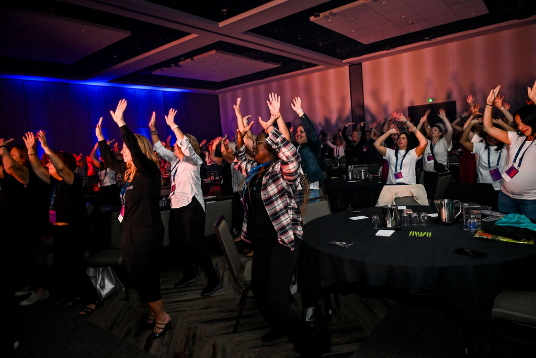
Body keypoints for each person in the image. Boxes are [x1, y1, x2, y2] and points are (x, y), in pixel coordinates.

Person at [233, 108, 315, 356]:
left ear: (268, 148)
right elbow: (240, 160)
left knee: (278, 299)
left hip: (282, 241)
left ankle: (307, 342)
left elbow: (291, 156)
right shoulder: (257, 172)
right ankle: (279, 327)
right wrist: (241, 134)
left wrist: (270, 129)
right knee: (260, 290)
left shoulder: (281, 172)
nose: (254, 148)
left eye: (258, 145)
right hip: (262, 243)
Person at [96, 100, 170, 341]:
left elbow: (135, 152)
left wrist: (121, 123)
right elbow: (109, 161)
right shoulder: (129, 172)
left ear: (136, 149)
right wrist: (100, 140)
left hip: (146, 230)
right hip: (131, 229)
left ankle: (162, 316)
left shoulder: (149, 170)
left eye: (127, 149)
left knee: (145, 273)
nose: (123, 152)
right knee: (134, 271)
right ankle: (152, 310)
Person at [148, 109, 221, 296]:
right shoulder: (175, 161)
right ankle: (189, 274)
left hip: (192, 207)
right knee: (177, 245)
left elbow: (186, 146)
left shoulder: (193, 161)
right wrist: (153, 129)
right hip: (176, 207)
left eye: (177, 144)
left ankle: (214, 279)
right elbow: (158, 148)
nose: (174, 147)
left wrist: (173, 126)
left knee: (195, 246)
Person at [23, 131, 90, 307]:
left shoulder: (72, 181)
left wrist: (45, 147)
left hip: (73, 232)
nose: (48, 166)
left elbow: (61, 168)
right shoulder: (55, 184)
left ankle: (88, 298)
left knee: (74, 266)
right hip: (59, 231)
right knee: (62, 266)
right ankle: (71, 295)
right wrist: (31, 149)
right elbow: (37, 168)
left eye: (50, 163)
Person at [482, 83, 536, 219]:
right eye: (518, 124)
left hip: (531, 201)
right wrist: (489, 104)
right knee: (506, 234)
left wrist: (535, 101)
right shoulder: (516, 137)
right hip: (506, 197)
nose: (521, 127)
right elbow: (489, 128)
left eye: (523, 122)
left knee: (528, 236)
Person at [373, 112, 428, 184]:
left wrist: (406, 121)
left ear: (408, 142)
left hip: (408, 186)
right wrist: (389, 132)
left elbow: (424, 142)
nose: (400, 140)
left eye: (403, 138)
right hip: (392, 186)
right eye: (399, 138)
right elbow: (376, 144)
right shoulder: (391, 152)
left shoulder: (412, 153)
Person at [460, 118, 510, 192]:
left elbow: (518, 137)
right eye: (488, 135)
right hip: (482, 187)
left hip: (501, 189)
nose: (491, 137)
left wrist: (500, 123)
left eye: (494, 135)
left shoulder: (506, 148)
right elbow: (463, 141)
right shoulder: (480, 147)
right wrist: (471, 124)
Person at [291, 97, 325, 201]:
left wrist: (300, 112)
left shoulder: (312, 146)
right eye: (297, 132)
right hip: (296, 190)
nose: (298, 134)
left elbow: (311, 132)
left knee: (312, 216)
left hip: (310, 190)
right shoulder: (294, 148)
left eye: (302, 132)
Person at [418, 109, 453, 197]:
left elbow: (450, 131)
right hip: (428, 173)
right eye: (432, 130)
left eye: (435, 130)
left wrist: (444, 118)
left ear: (440, 133)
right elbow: (417, 133)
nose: (432, 131)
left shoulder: (444, 141)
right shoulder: (426, 142)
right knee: (428, 195)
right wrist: (421, 122)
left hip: (440, 173)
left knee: (440, 195)